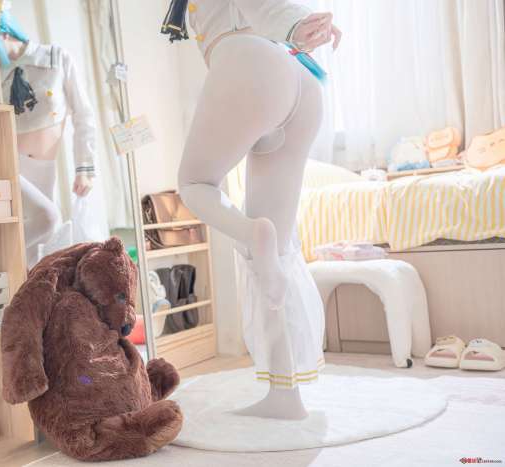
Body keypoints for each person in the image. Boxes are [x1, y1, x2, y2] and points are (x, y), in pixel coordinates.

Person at [163, 0, 341, 420]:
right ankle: (284, 394)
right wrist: (297, 24)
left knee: (195, 183)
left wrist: (294, 23)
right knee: (273, 256)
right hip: (298, 80)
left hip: (255, 64)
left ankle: (249, 232)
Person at [0, 12, 98, 266]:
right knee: (46, 220)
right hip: (12, 168)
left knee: (39, 252)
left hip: (46, 171)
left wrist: (84, 168)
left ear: (4, 33)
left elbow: (84, 114)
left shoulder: (56, 58)